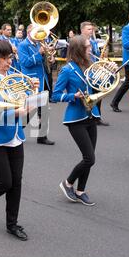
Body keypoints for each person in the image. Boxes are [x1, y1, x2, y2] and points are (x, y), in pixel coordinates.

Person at [0, 40, 39, 241]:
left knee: (17, 183)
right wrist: (15, 111)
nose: (8, 62)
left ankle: (12, 224)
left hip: (15, 136)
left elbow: (25, 100)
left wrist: (32, 90)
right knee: (4, 182)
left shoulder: (14, 76)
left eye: (10, 57)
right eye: (4, 58)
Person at [52, 35, 101, 206]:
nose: (91, 49)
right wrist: (73, 95)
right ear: (79, 49)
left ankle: (81, 190)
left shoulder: (90, 65)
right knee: (89, 158)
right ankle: (67, 183)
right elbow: (55, 95)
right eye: (88, 47)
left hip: (91, 115)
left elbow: (98, 85)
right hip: (75, 118)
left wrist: (110, 73)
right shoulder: (67, 70)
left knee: (90, 156)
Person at [18, 24, 55, 145]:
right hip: (31, 82)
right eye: (36, 32)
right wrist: (39, 53)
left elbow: (42, 61)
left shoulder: (39, 43)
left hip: (42, 79)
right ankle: (16, 131)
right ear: (29, 32)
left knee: (44, 109)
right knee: (30, 111)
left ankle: (42, 136)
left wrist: (50, 59)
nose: (39, 35)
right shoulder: (23, 45)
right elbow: (26, 63)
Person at [80, 21, 109, 126]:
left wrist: (103, 57)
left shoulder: (92, 41)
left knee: (98, 95)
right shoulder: (79, 42)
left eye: (92, 29)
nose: (91, 31)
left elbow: (96, 55)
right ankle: (87, 117)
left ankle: (97, 117)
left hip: (95, 71)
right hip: (85, 71)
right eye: (89, 29)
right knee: (87, 96)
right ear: (82, 30)